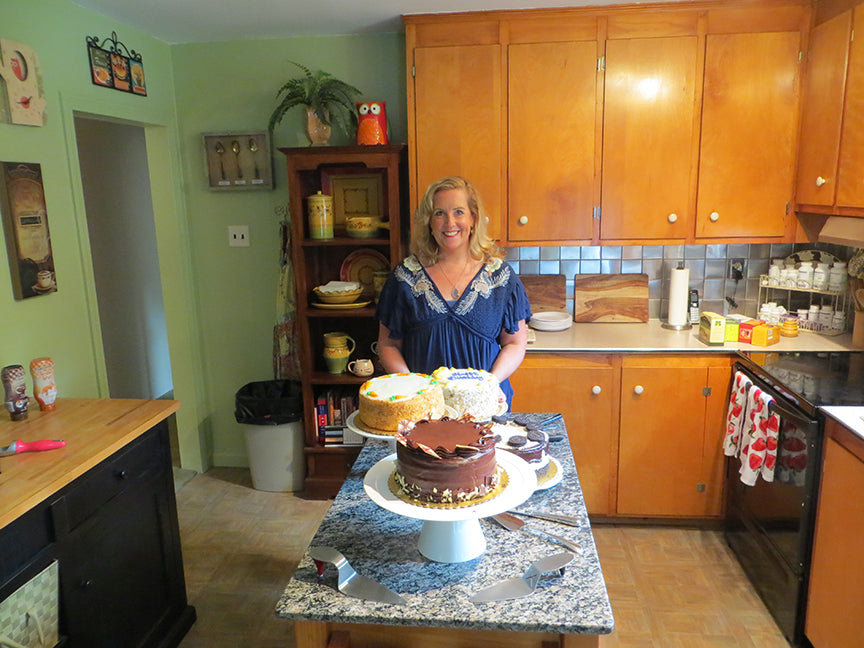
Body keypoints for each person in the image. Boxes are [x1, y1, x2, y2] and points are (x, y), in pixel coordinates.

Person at [375, 176, 531, 407]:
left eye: (459, 212)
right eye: (439, 213)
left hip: (485, 406)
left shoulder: (500, 277)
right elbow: (388, 345)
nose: (449, 222)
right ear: (429, 221)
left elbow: (515, 343)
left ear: (473, 218)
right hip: (424, 410)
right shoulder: (405, 277)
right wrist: (415, 390)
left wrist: (490, 383)